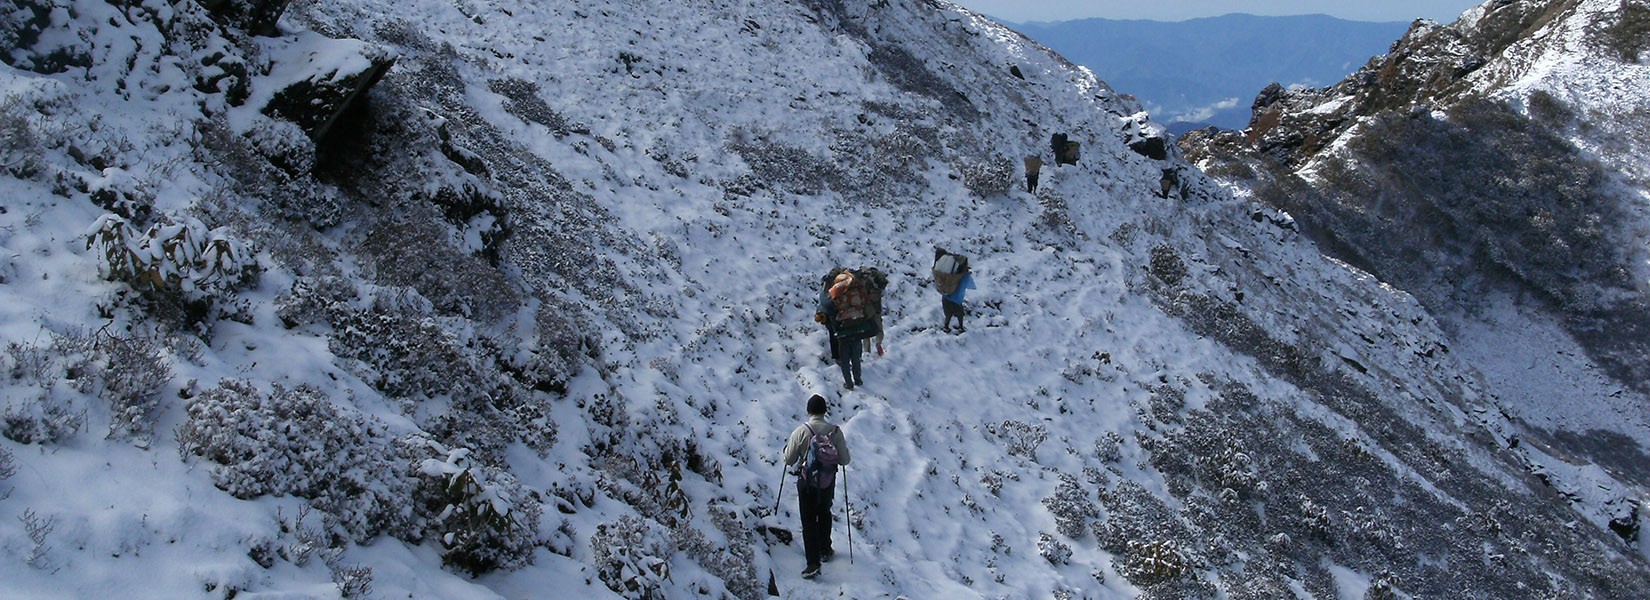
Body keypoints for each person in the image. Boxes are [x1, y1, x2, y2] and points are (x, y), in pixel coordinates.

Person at [783, 394, 851, 580]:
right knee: (824, 512)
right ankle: (825, 548)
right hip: (827, 481)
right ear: (825, 411)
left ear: (809, 411)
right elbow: (845, 460)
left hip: (807, 482)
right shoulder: (835, 432)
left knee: (808, 519)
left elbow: (789, 460)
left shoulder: (802, 431)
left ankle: (812, 563)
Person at [819, 272, 865, 389]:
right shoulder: (856, 295)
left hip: (843, 334)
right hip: (856, 330)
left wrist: (824, 286)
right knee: (856, 358)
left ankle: (849, 384)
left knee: (844, 360)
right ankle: (858, 380)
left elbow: (823, 301)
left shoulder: (834, 301)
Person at [932, 248, 976, 333]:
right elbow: (970, 284)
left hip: (945, 296)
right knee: (960, 314)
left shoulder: (949, 275)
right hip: (956, 299)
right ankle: (960, 327)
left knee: (948, 315)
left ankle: (946, 327)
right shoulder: (963, 276)